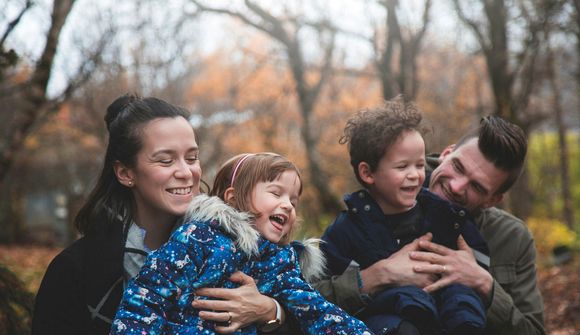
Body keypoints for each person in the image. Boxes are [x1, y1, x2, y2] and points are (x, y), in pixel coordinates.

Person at [31, 95, 278, 335]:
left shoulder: (237, 244)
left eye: (192, 158)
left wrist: (270, 312)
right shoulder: (75, 270)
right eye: (165, 160)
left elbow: (303, 307)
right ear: (126, 173)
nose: (186, 172)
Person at [313, 103, 545, 335]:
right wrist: (376, 276)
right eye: (458, 166)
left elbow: (533, 331)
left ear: (493, 200)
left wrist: (484, 283)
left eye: (476, 186)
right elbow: (302, 299)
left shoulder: (511, 237)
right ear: (446, 153)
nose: (456, 186)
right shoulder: (383, 192)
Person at [111, 153, 372, 335]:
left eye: (294, 200)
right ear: (234, 199)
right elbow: (148, 297)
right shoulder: (198, 238)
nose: (288, 205)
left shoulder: (280, 263)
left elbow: (317, 311)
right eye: (276, 192)